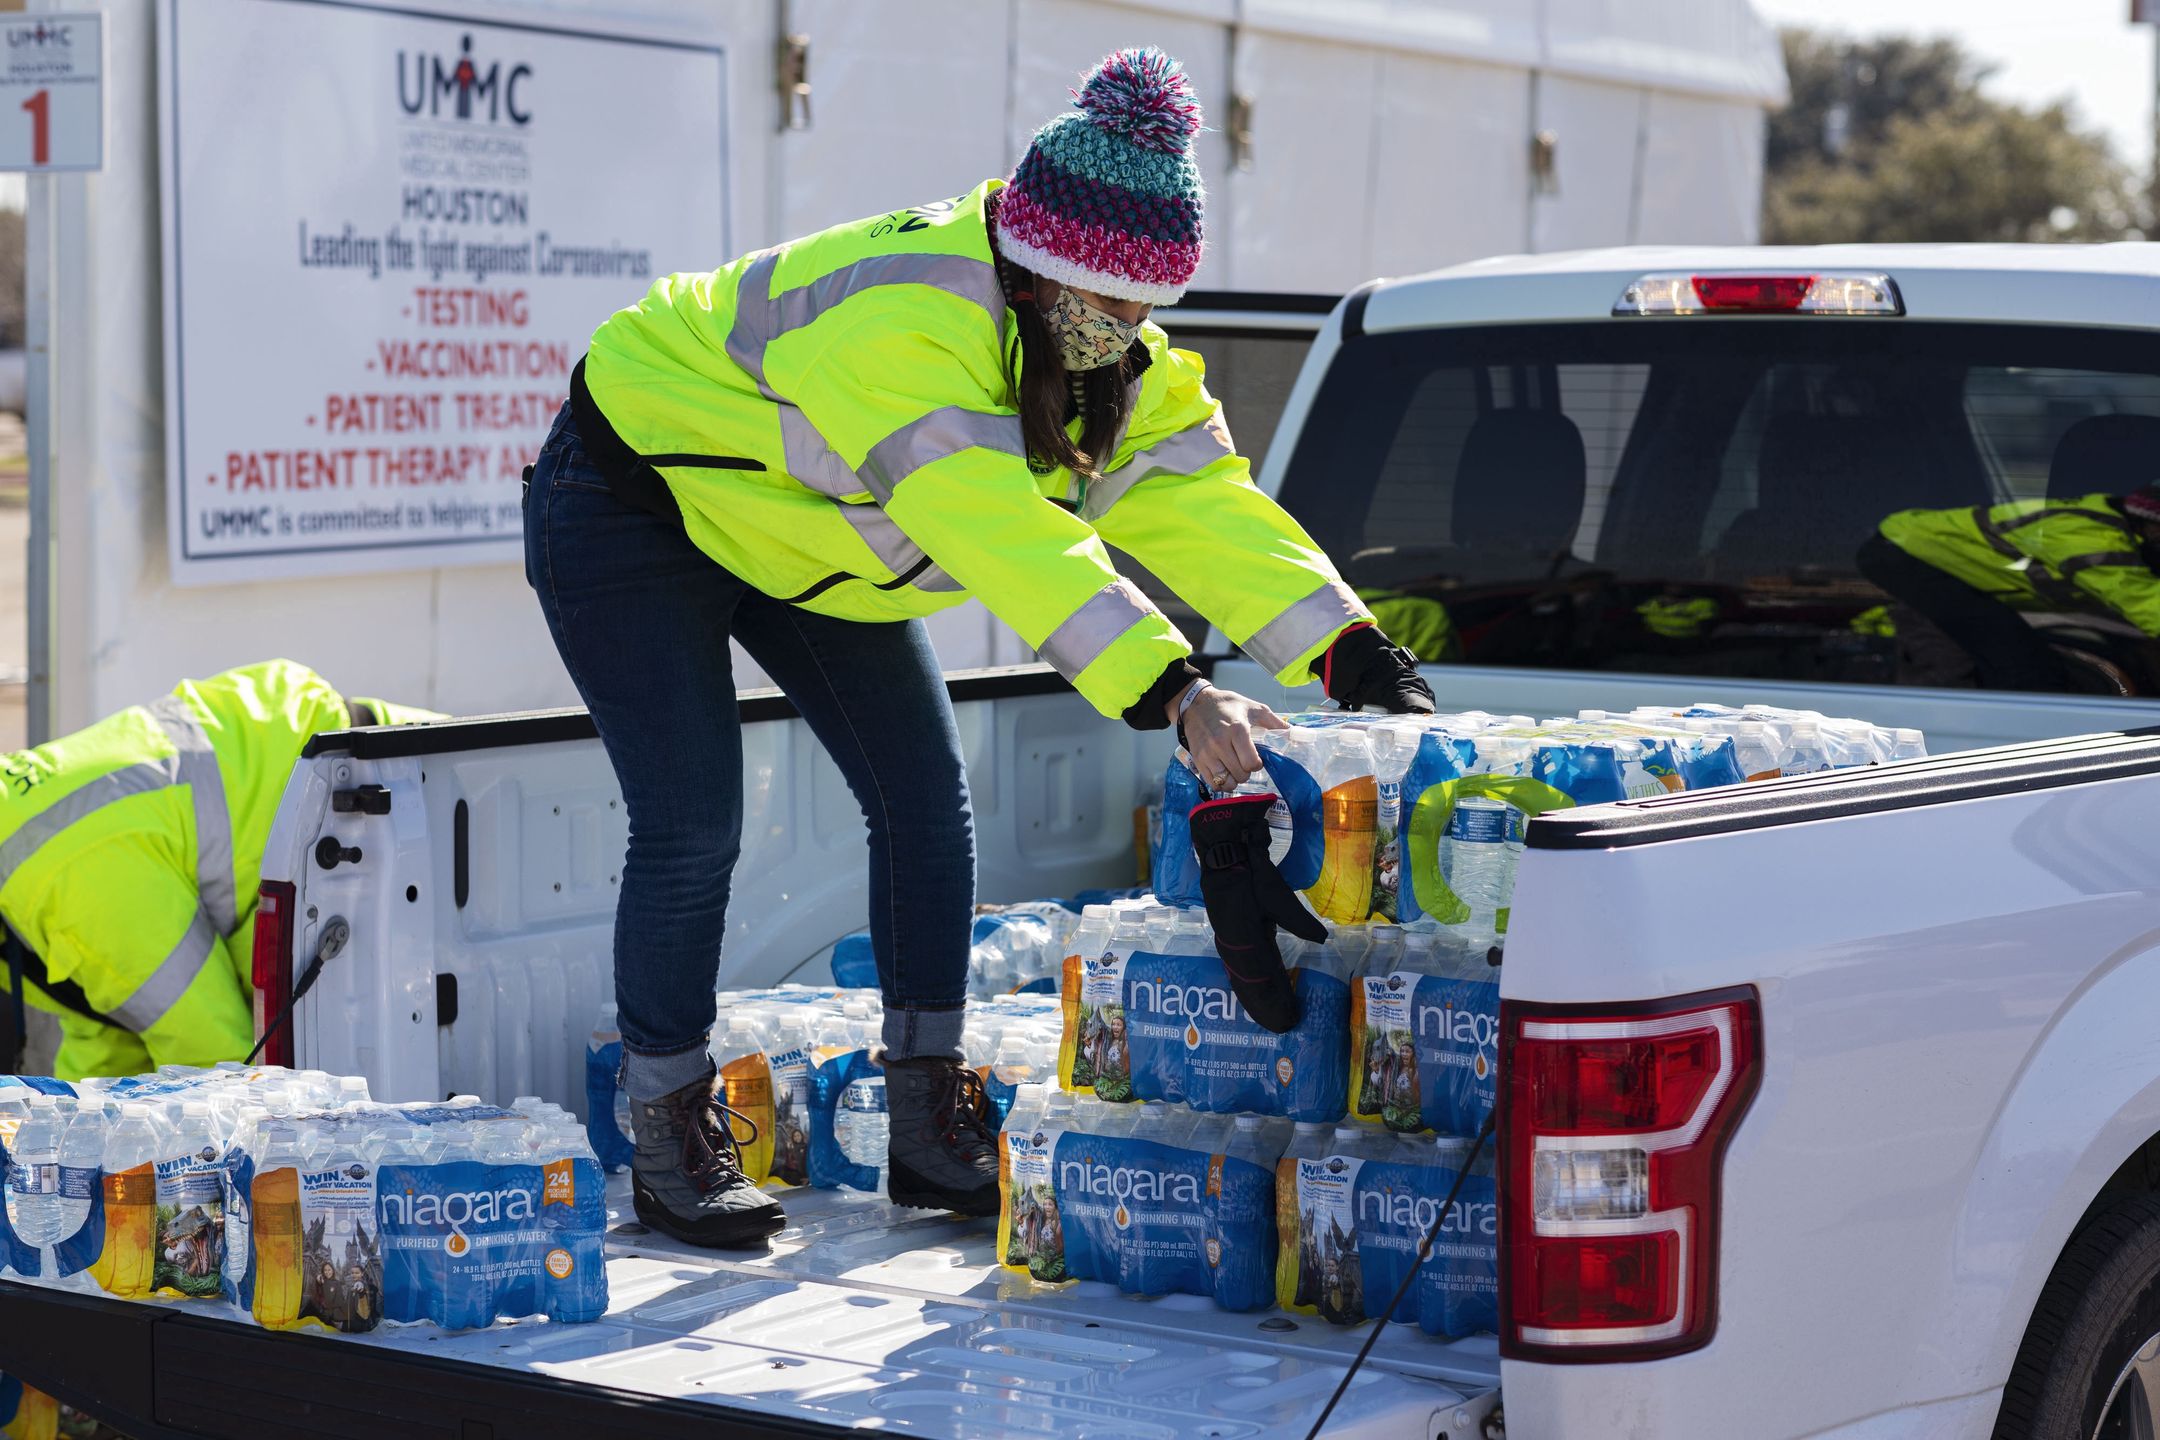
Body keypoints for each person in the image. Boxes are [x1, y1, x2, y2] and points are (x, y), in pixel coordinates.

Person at [524, 48, 1431, 1246]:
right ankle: (667, 1137)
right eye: (1109, 312)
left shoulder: (1093, 343)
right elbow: (1002, 537)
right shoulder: (905, 323)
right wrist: (1178, 692)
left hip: (805, 538)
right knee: (694, 819)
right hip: (633, 503)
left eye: (1145, 314)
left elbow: (1198, 499)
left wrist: (1352, 654)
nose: (1129, 336)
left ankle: (927, 1127)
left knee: (923, 800)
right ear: (1039, 271)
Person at [0, 660, 438, 1081]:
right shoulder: (21, 854)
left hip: (389, 785)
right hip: (343, 799)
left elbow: (214, 1063)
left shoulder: (66, 882)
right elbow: (109, 1029)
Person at [1858, 485, 2160, 691]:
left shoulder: (2113, 527)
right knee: (2023, 666)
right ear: (2148, 523)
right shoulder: (2090, 536)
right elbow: (2142, 601)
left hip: (1916, 549)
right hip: (1906, 552)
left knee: (2006, 653)